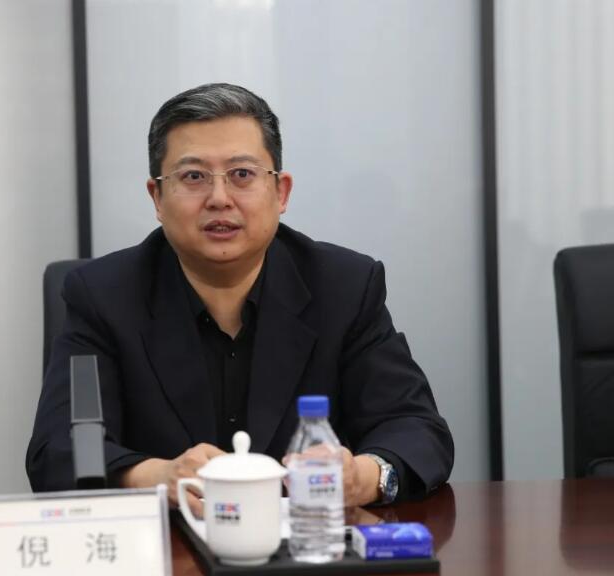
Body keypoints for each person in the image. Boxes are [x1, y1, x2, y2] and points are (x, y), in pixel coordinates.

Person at [26, 83, 453, 515]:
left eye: (242, 174)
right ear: (157, 197)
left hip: (308, 542)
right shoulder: (102, 295)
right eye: (193, 177)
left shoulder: (344, 286)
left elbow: (416, 429)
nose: (219, 199)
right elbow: (59, 450)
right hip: (168, 543)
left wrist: (359, 477)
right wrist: (156, 477)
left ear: (281, 192)